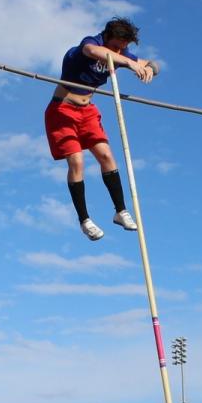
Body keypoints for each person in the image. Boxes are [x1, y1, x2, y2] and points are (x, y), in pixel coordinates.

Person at [46, 17, 156, 241]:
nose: (119, 51)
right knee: (77, 162)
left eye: (123, 48)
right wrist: (129, 63)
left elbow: (148, 63)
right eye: (116, 46)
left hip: (87, 112)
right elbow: (94, 51)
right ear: (107, 36)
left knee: (106, 155)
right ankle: (85, 220)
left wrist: (150, 68)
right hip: (62, 111)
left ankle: (120, 211)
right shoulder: (89, 44)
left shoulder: (120, 53)